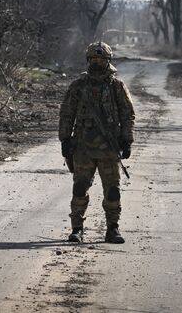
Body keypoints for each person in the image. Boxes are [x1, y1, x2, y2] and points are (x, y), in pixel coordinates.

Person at [59, 41, 135, 244]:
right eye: (93, 59)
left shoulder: (116, 86)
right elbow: (67, 114)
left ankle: (112, 228)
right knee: (79, 189)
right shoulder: (78, 86)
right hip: (83, 147)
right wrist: (65, 139)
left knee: (112, 190)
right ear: (88, 60)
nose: (97, 63)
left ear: (108, 61)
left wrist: (126, 140)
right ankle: (77, 229)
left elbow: (127, 115)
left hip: (109, 148)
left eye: (101, 60)